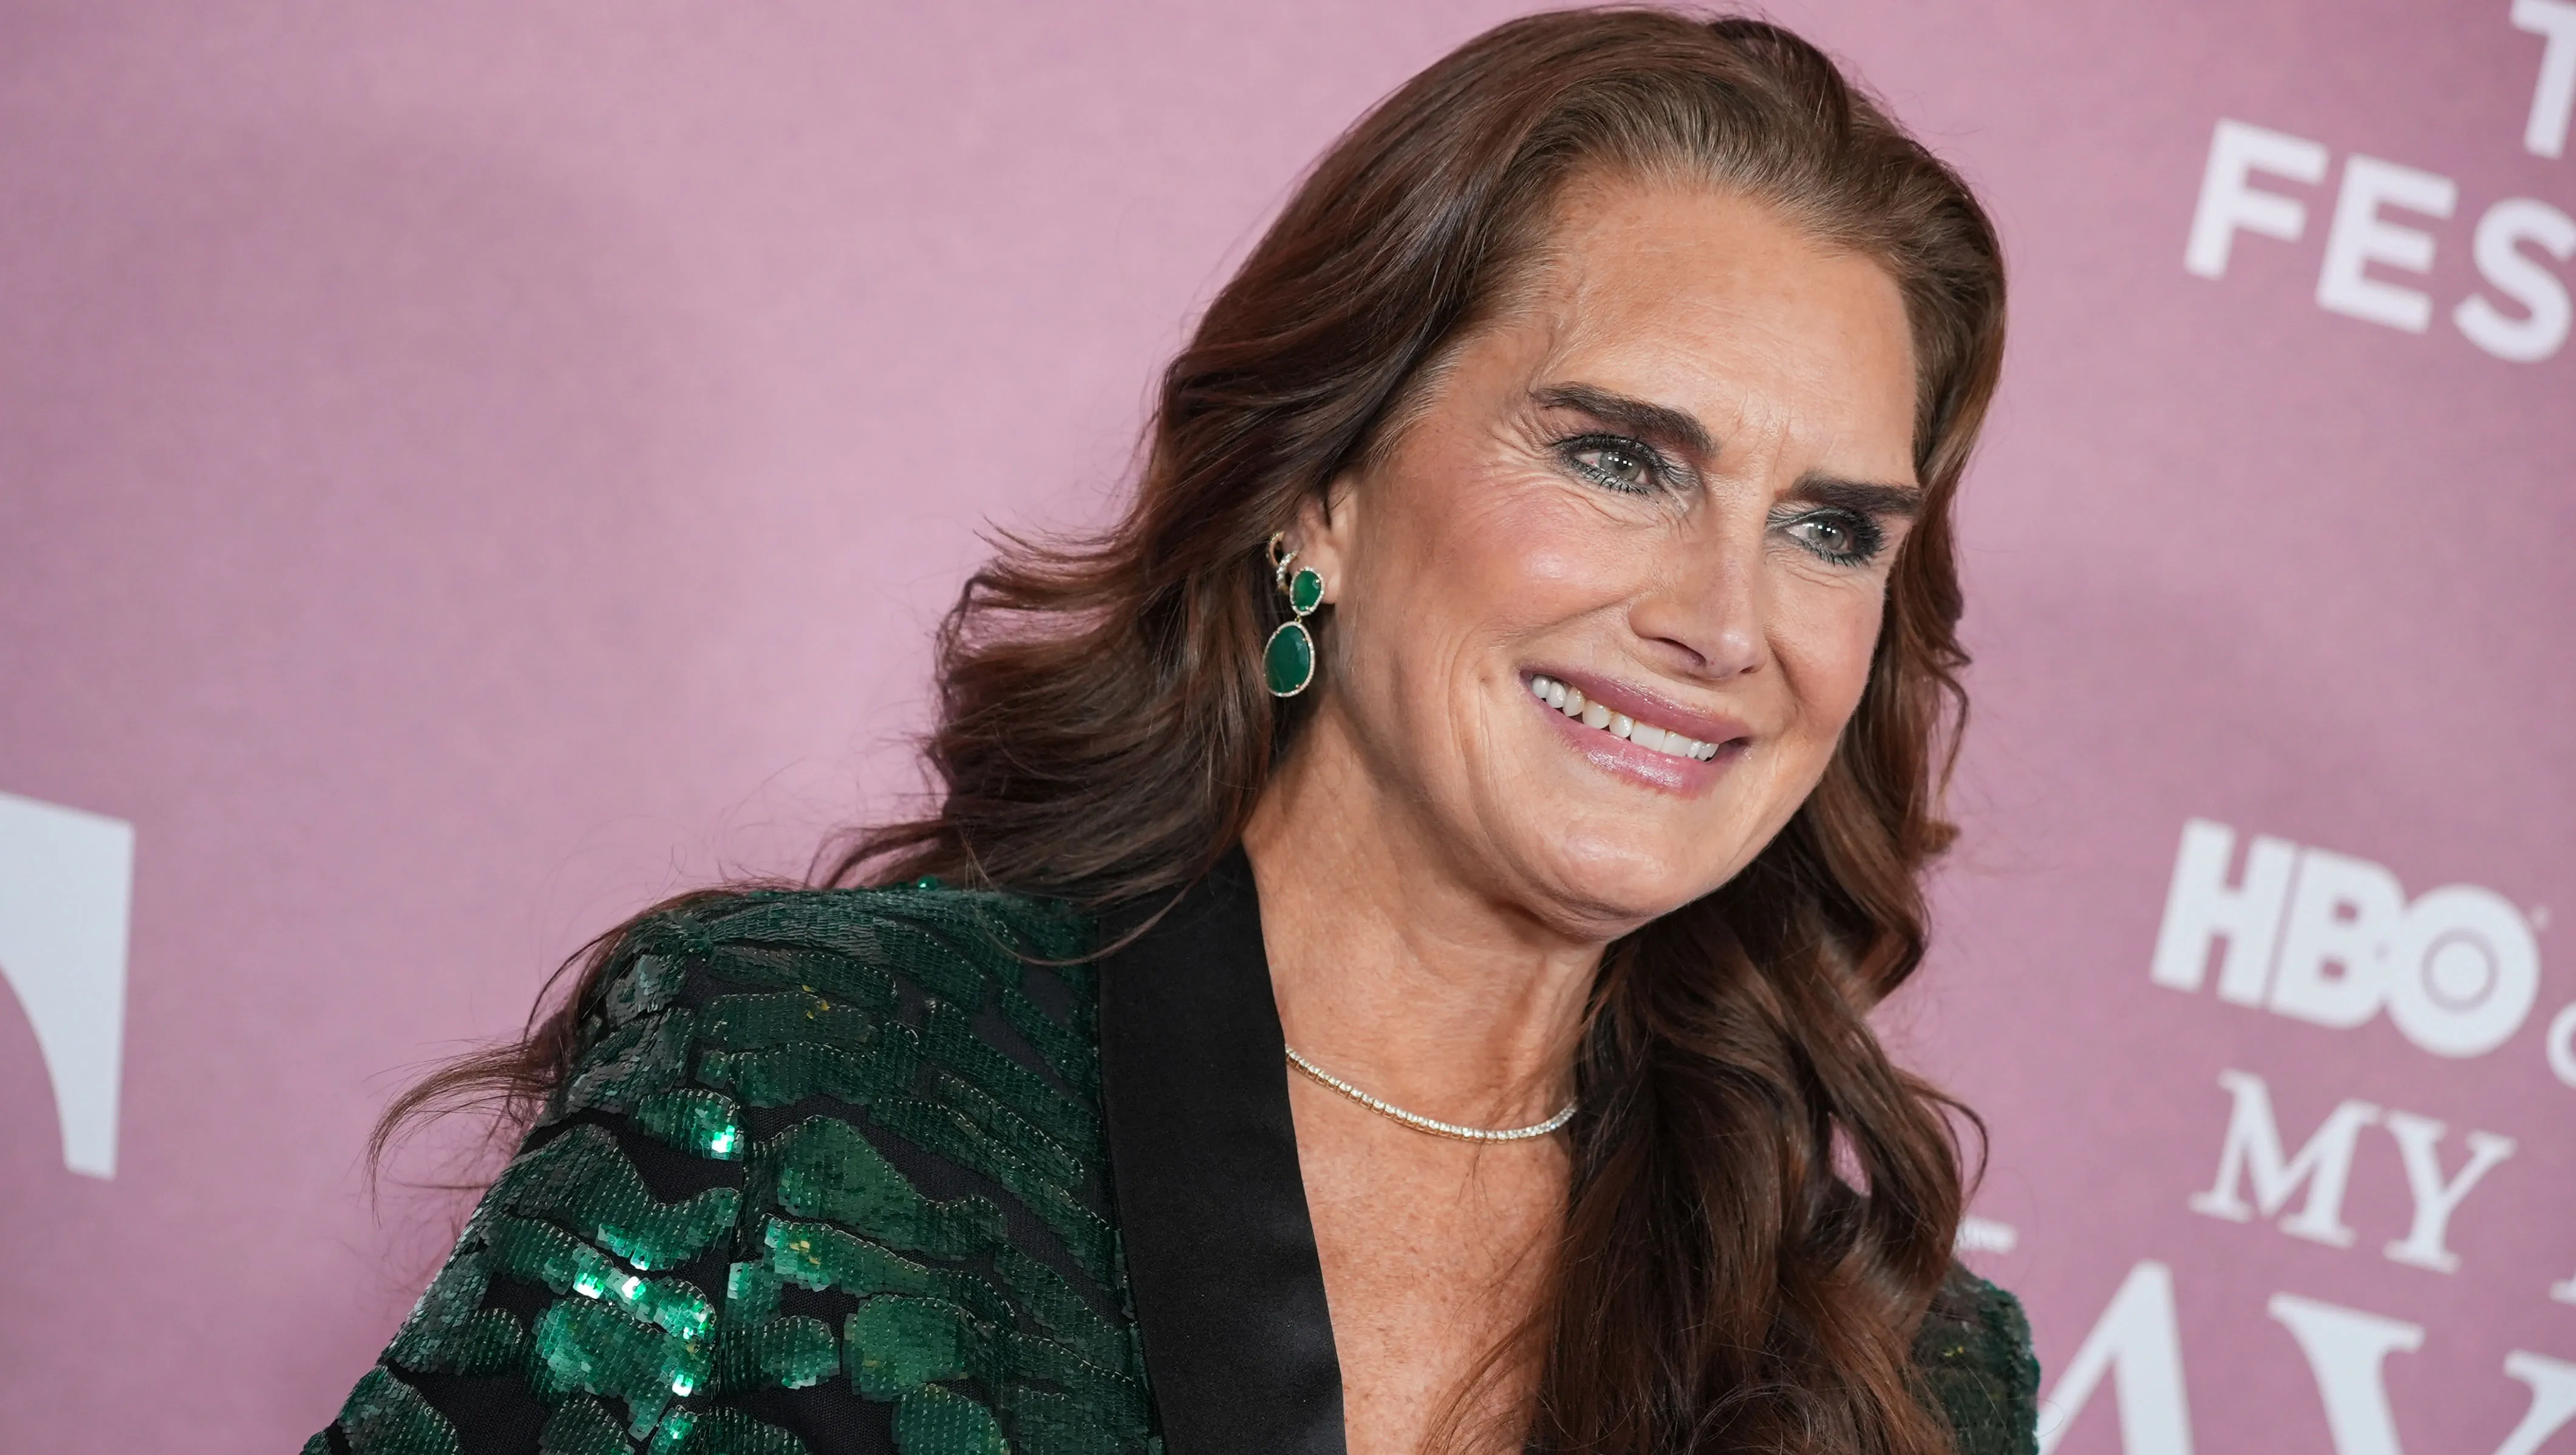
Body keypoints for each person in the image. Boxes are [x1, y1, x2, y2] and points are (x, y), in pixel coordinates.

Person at [311, 9, 2033, 1454]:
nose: (1725, 621)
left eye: (1830, 530)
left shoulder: (1903, 1371)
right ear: (1322, 493)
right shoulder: (813, 1080)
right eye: (1618, 457)